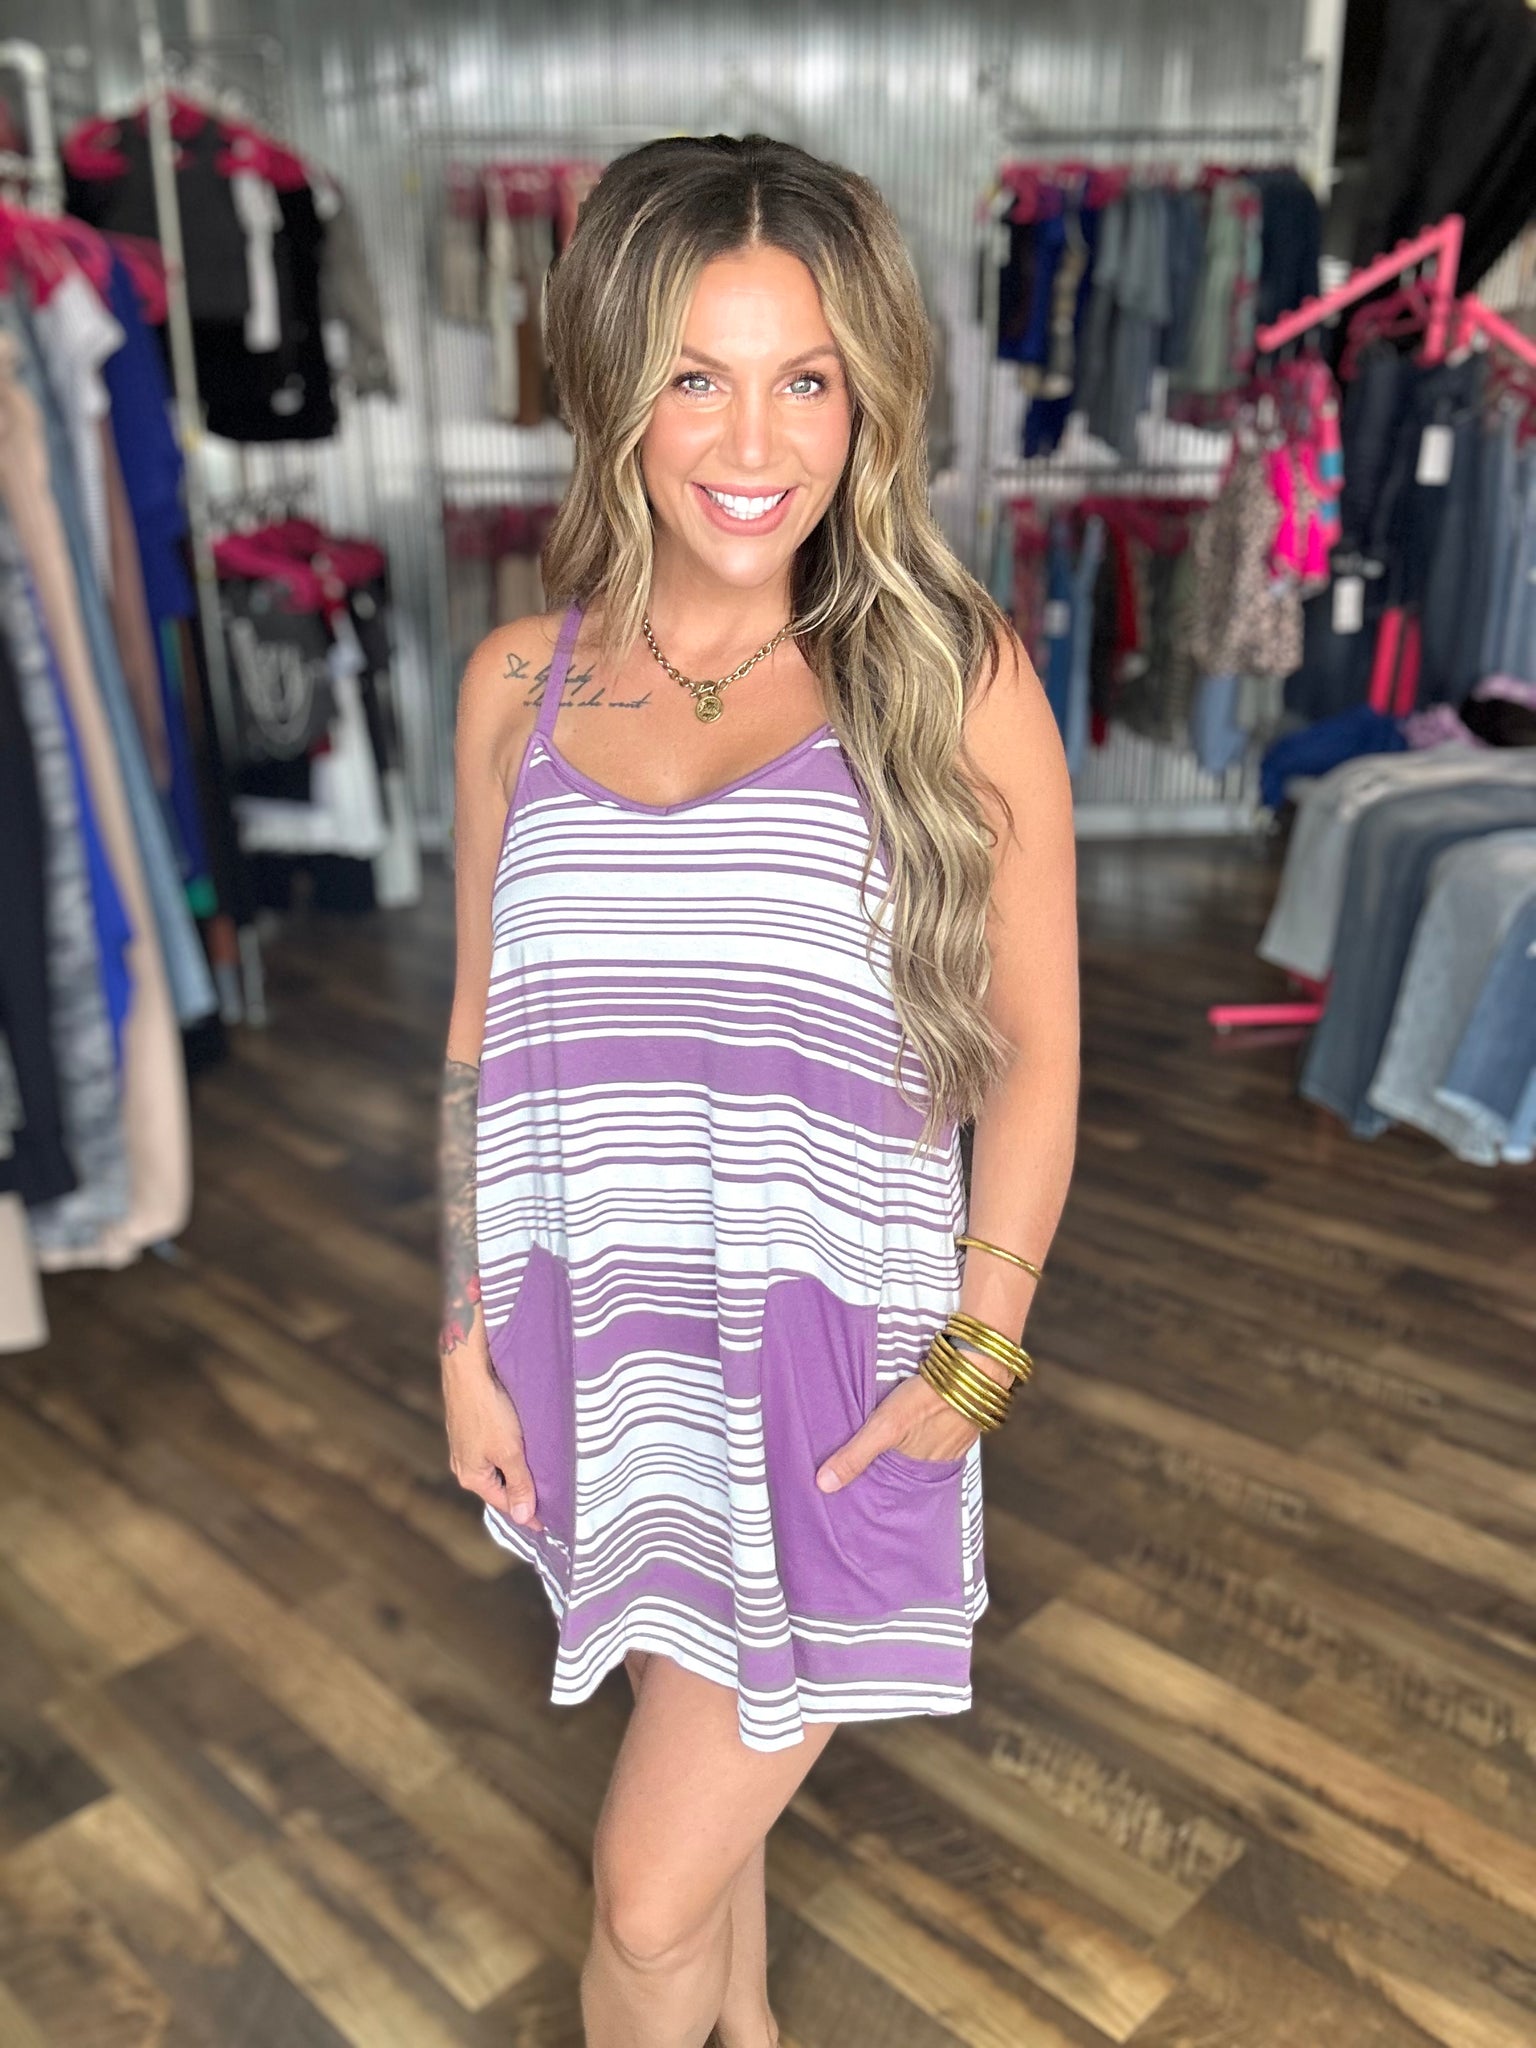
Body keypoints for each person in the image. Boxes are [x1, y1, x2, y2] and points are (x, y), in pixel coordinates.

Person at [437, 133, 1079, 2048]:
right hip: (595, 1347)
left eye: (806, 377)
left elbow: (1039, 1053)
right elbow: (477, 1036)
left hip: (827, 1385)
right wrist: (464, 1332)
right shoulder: (516, 685)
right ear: (613, 389)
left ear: (868, 396)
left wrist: (980, 1354)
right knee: (699, 1785)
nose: (753, 440)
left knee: (642, 1902)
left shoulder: (949, 674)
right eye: (695, 378)